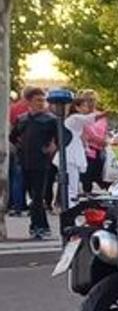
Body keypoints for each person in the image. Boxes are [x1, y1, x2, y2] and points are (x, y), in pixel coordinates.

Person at [8, 88, 70, 240]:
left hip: (42, 164)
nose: (41, 104)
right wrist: (19, 148)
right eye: (37, 100)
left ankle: (39, 227)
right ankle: (39, 225)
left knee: (37, 197)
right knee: (32, 197)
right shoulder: (22, 119)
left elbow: (66, 136)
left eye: (43, 100)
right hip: (25, 162)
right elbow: (13, 136)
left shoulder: (50, 120)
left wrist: (54, 146)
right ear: (29, 102)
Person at [6, 86, 37, 216]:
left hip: (18, 147)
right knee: (35, 179)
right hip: (34, 147)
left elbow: (12, 127)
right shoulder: (35, 108)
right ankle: (34, 205)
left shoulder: (13, 108)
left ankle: (17, 205)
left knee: (17, 177)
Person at [75, 90, 109, 193]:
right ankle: (86, 197)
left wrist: (105, 140)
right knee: (87, 179)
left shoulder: (100, 116)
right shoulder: (80, 117)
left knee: (103, 177)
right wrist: (99, 140)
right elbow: (86, 134)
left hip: (99, 150)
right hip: (87, 151)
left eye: (93, 100)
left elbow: (104, 131)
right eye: (88, 100)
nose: (91, 103)